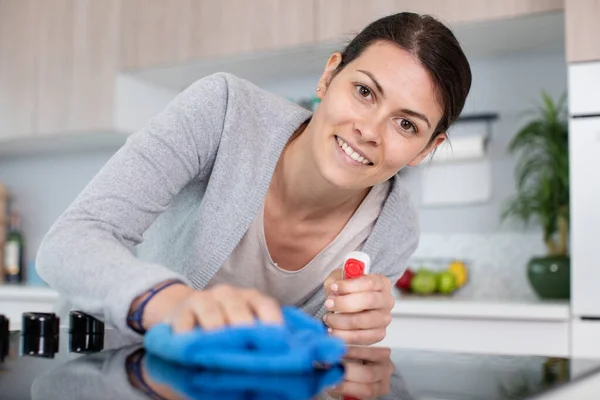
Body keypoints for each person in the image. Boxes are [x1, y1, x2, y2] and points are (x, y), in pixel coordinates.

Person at [36, 12, 471, 345]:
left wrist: (348, 341)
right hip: (99, 367)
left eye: (406, 125)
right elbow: (70, 241)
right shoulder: (223, 111)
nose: (369, 131)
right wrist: (178, 305)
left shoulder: (394, 229)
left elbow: (304, 359)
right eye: (364, 92)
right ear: (329, 75)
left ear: (428, 149)